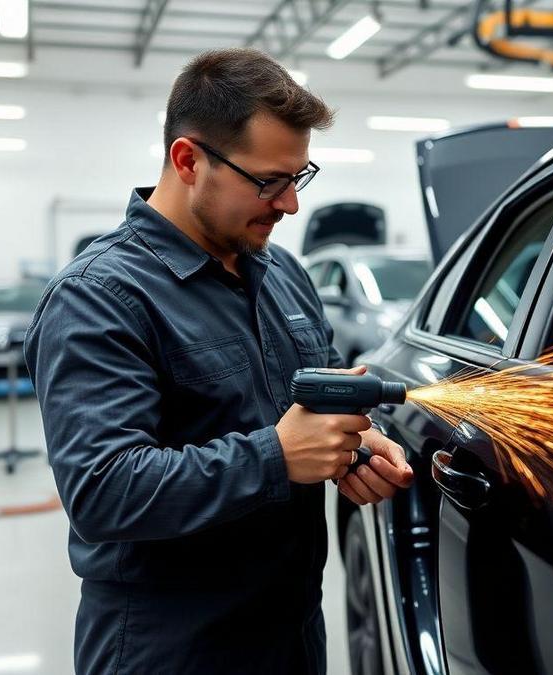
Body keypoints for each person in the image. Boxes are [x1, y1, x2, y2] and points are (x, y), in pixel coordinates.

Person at [24, 48, 414, 674]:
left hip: (291, 632)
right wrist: (277, 457)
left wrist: (355, 449)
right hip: (171, 647)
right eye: (269, 182)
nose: (290, 206)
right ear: (187, 160)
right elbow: (101, 491)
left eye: (299, 177)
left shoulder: (283, 273)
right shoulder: (100, 296)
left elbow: (312, 410)